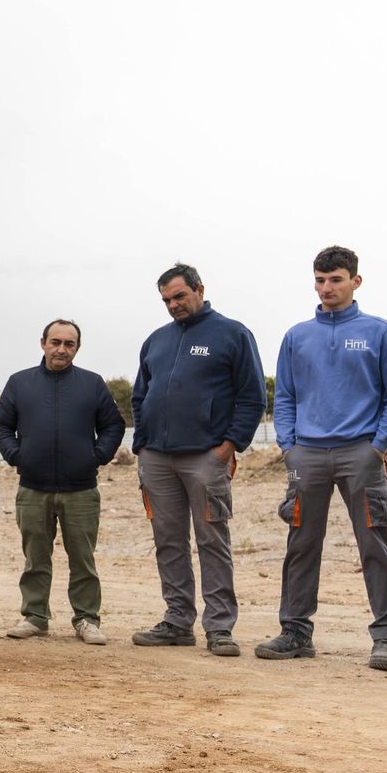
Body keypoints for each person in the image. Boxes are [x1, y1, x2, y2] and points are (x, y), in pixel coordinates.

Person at [258, 246, 387, 669]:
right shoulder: (296, 336)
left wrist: (378, 446)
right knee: (301, 543)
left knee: (374, 544)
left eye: (336, 280)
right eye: (320, 280)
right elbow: (284, 395)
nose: (327, 288)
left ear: (355, 282)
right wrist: (289, 446)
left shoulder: (380, 331)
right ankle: (295, 631)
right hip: (306, 455)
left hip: (360, 453)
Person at [130, 263, 266, 657]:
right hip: (157, 459)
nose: (173, 305)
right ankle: (176, 621)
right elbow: (140, 396)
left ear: (200, 289)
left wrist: (229, 446)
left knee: (212, 541)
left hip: (206, 458)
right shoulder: (156, 340)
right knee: (168, 542)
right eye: (167, 300)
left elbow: (253, 396)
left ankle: (220, 627)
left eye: (180, 296)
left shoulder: (232, 334)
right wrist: (142, 444)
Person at [0, 320, 125, 645]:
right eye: (55, 342)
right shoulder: (20, 383)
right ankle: (35, 617)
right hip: (33, 489)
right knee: (35, 558)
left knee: (83, 560)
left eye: (69, 344)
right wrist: (17, 455)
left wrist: (97, 456)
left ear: (77, 348)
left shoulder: (92, 384)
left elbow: (113, 426)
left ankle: (87, 619)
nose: (61, 349)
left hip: (81, 490)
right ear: (43, 343)